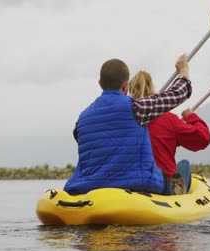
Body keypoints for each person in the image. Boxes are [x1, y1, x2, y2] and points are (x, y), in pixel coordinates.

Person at [64, 54, 192, 195]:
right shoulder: (137, 108)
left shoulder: (82, 118)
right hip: (137, 186)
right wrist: (183, 71)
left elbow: (80, 137)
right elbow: (179, 93)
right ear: (125, 86)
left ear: (100, 83)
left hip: (88, 187)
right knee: (180, 168)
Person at [129, 70, 210, 192]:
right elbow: (203, 138)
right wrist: (191, 117)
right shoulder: (169, 119)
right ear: (152, 89)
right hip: (163, 184)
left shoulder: (123, 118)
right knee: (184, 164)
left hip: (133, 182)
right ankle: (176, 190)